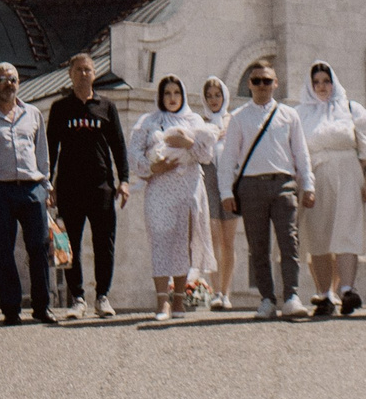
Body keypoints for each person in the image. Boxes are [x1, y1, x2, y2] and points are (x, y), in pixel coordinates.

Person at [217, 58, 314, 319]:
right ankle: (267, 299)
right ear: (249, 84)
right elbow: (228, 160)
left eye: (267, 80)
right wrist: (226, 193)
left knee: (289, 242)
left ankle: (291, 296)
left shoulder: (289, 115)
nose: (262, 85)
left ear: (276, 83)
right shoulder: (238, 118)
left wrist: (309, 185)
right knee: (257, 246)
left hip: (283, 184)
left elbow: (301, 154)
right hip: (251, 186)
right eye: (257, 81)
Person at [0, 62, 55, 325]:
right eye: (4, 79)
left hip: (32, 189)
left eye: (14, 79)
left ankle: (42, 307)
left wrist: (47, 187)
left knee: (39, 247)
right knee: (3, 249)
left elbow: (42, 153)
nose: (9, 84)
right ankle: (11, 308)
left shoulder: (33, 114)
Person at [47, 53, 129, 319]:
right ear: (70, 74)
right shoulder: (60, 109)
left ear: (95, 74)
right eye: (79, 70)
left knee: (104, 243)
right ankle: (77, 299)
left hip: (101, 186)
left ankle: (102, 297)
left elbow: (119, 146)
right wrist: (48, 185)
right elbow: (50, 150)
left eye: (88, 70)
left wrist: (124, 181)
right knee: (66, 244)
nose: (84, 74)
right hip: (69, 187)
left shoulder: (107, 107)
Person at [295, 62, 366, 317]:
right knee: (318, 233)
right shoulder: (300, 114)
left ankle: (346, 289)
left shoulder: (351, 109)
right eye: (317, 82)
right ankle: (325, 294)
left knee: (346, 229)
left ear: (334, 82)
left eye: (326, 81)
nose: (322, 86)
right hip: (315, 177)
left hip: (348, 174)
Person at [133, 76, 216, 323]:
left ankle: (178, 299)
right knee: (161, 240)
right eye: (167, 93)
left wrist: (188, 142)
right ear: (160, 96)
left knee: (183, 242)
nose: (172, 98)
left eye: (176, 93)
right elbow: (134, 152)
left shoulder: (194, 120)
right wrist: (152, 167)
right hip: (159, 188)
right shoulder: (148, 121)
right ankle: (162, 303)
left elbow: (207, 155)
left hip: (187, 188)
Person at [197, 76, 240, 308]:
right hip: (208, 180)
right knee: (213, 238)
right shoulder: (201, 122)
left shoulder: (233, 121)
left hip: (229, 182)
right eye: (209, 96)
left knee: (228, 240)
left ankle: (226, 291)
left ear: (224, 96)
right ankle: (215, 292)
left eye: (217, 95)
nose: (214, 100)